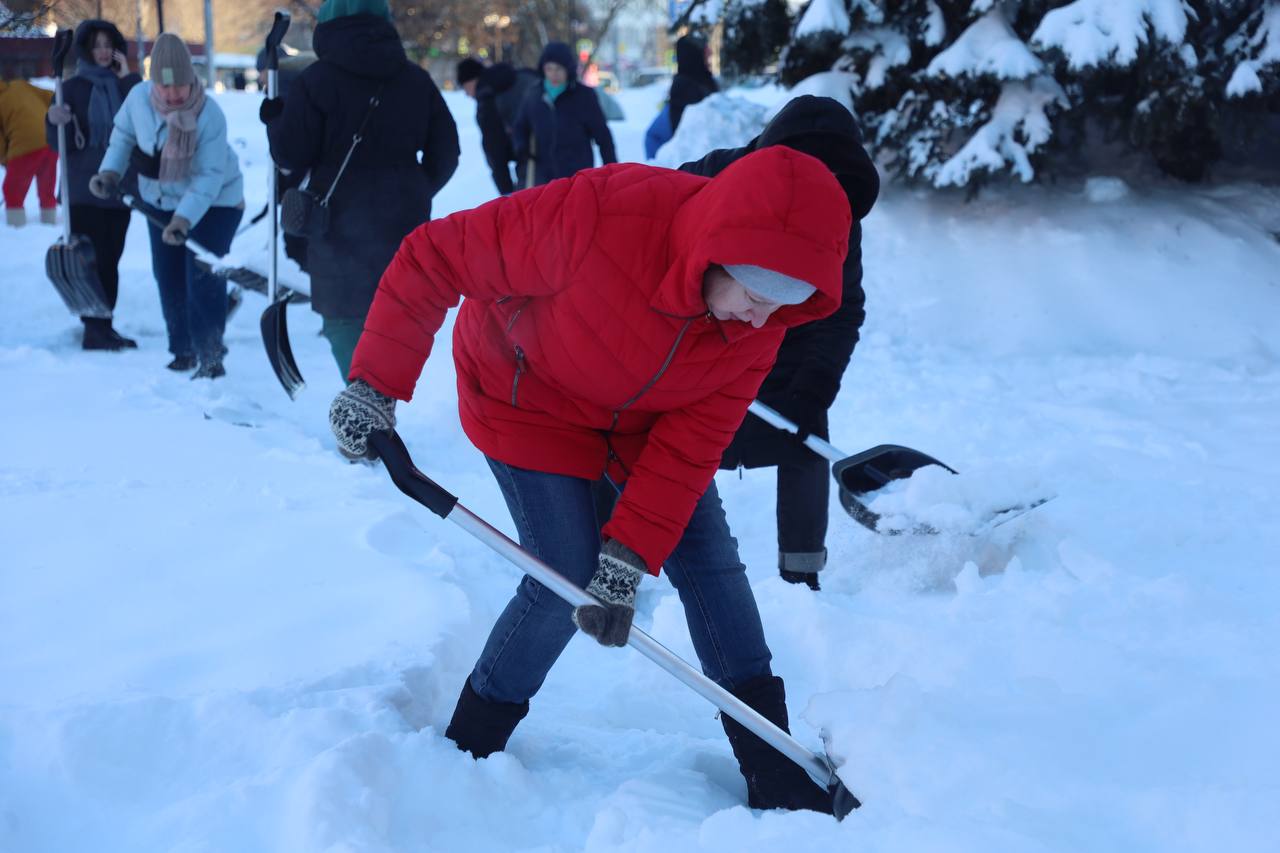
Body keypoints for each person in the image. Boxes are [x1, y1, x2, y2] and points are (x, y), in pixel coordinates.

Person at [328, 146, 853, 813]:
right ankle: (472, 740)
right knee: (562, 571)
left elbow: (693, 442)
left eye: (780, 308)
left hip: (639, 425)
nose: (760, 320)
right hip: (528, 399)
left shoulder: (760, 322)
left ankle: (773, 762)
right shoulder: (598, 218)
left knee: (710, 559)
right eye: (753, 298)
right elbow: (434, 256)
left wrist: (631, 554)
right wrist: (375, 384)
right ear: (717, 253)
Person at [680, 95, 880, 591]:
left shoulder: (840, 213)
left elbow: (843, 310)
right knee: (669, 446)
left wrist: (812, 392)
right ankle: (621, 559)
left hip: (791, 337)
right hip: (710, 326)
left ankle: (802, 572)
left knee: (805, 439)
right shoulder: (712, 180)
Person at [263, 0, 459, 381]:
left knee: (344, 319)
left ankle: (364, 410)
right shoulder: (415, 80)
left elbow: (289, 154)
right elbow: (447, 152)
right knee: (396, 313)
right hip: (405, 224)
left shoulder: (316, 81)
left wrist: (275, 120)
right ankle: (381, 402)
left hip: (336, 223)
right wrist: (416, 189)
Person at [92, 33, 244, 378]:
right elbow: (123, 138)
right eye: (165, 87)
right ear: (153, 83)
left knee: (201, 273)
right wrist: (110, 172)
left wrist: (183, 219)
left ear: (193, 80)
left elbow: (209, 176)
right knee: (168, 273)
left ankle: (210, 355)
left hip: (217, 201)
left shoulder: (210, 115)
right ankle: (182, 350)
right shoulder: (136, 100)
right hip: (159, 198)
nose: (174, 95)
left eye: (181, 87)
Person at [44, 19, 143, 351]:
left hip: (118, 189)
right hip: (83, 188)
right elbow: (60, 143)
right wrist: (53, 120)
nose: (103, 52)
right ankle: (94, 328)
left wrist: (128, 73)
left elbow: (142, 117)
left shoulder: (124, 87)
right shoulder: (70, 89)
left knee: (111, 260)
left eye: (108, 45)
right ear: (86, 49)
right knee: (89, 261)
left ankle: (105, 324)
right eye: (97, 45)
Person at [511, 41, 616, 187]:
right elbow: (520, 126)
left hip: (577, 177)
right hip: (543, 178)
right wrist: (521, 147)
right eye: (549, 69)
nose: (553, 74)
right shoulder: (533, 95)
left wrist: (611, 172)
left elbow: (603, 136)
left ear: (568, 69)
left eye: (559, 69)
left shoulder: (583, 96)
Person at [456, 57, 539, 196]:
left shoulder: (487, 99)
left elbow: (495, 151)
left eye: (465, 87)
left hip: (531, 162)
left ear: (472, 80)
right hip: (563, 155)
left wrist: (507, 193)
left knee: (532, 211)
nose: (466, 94)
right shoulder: (524, 76)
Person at [0, 77, 56, 226]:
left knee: (11, 189)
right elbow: (51, 96)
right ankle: (49, 222)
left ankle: (16, 228)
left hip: (25, 146)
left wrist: (6, 161)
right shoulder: (19, 85)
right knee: (47, 186)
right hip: (51, 140)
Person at [668, 34, 718, 135]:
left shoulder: (705, 81)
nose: (710, 53)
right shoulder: (683, 87)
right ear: (694, 55)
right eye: (705, 49)